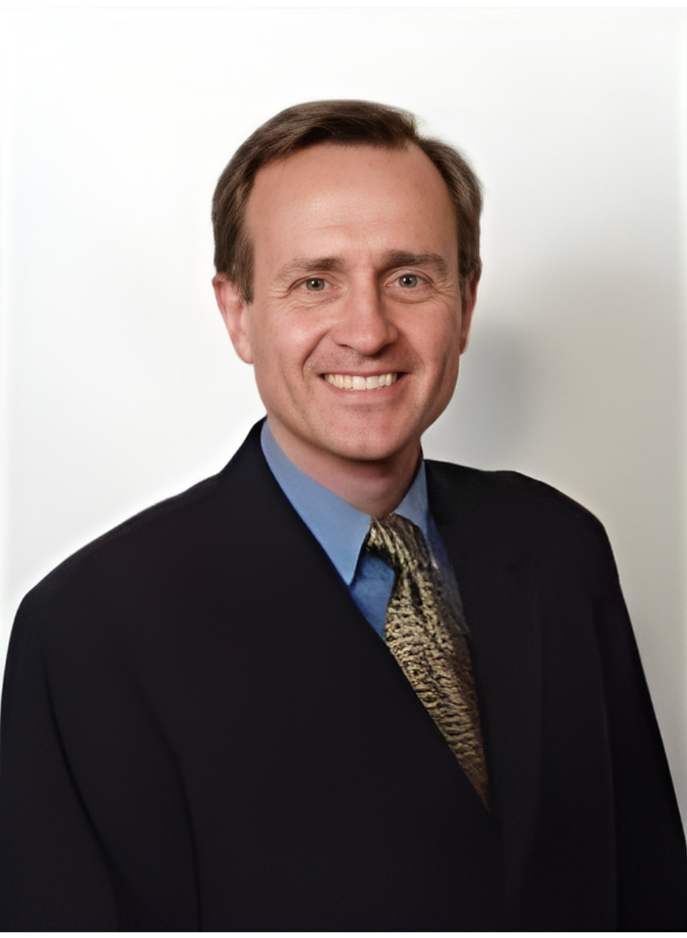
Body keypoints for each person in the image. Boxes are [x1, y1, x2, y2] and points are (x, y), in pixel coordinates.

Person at [0, 100, 685, 933]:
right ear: (238, 313)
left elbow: (648, 883)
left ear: (464, 303)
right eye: (314, 281)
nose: (366, 331)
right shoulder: (91, 628)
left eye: (408, 278)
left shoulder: (559, 548)